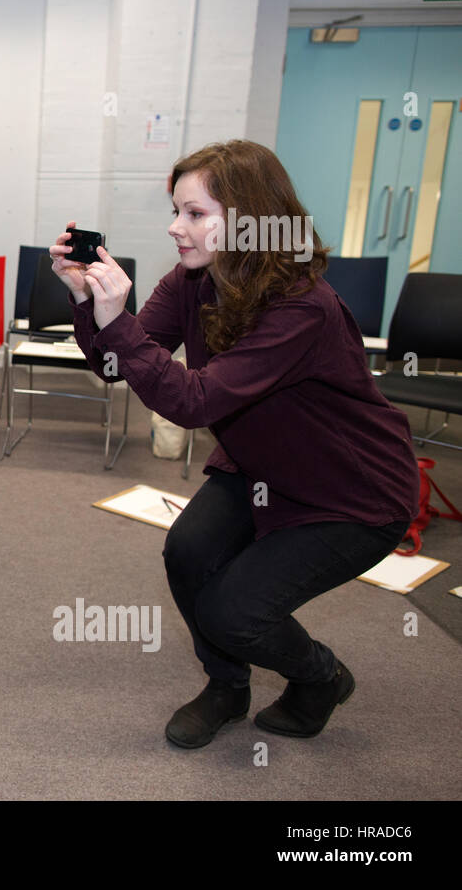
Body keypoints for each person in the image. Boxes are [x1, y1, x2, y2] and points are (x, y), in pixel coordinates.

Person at [50, 139, 417, 747]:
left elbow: (193, 402)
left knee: (234, 611)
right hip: (261, 464)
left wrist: (118, 323)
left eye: (195, 214)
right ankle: (226, 686)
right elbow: (119, 367)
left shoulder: (302, 306)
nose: (175, 227)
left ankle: (321, 678)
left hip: (352, 494)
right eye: (177, 211)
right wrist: (89, 303)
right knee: (188, 554)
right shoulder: (195, 278)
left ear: (249, 220)